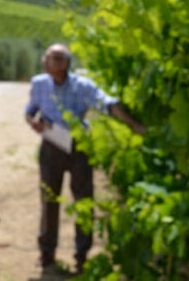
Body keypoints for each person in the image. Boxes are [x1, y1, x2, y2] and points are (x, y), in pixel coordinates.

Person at [25, 43, 145, 273]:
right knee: (49, 200)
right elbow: (30, 109)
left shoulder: (82, 85)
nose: (46, 61)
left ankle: (82, 255)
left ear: (65, 63)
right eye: (47, 57)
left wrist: (134, 125)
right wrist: (32, 122)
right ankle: (47, 253)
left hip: (79, 147)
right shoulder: (39, 83)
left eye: (54, 58)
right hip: (51, 146)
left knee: (83, 202)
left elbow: (107, 104)